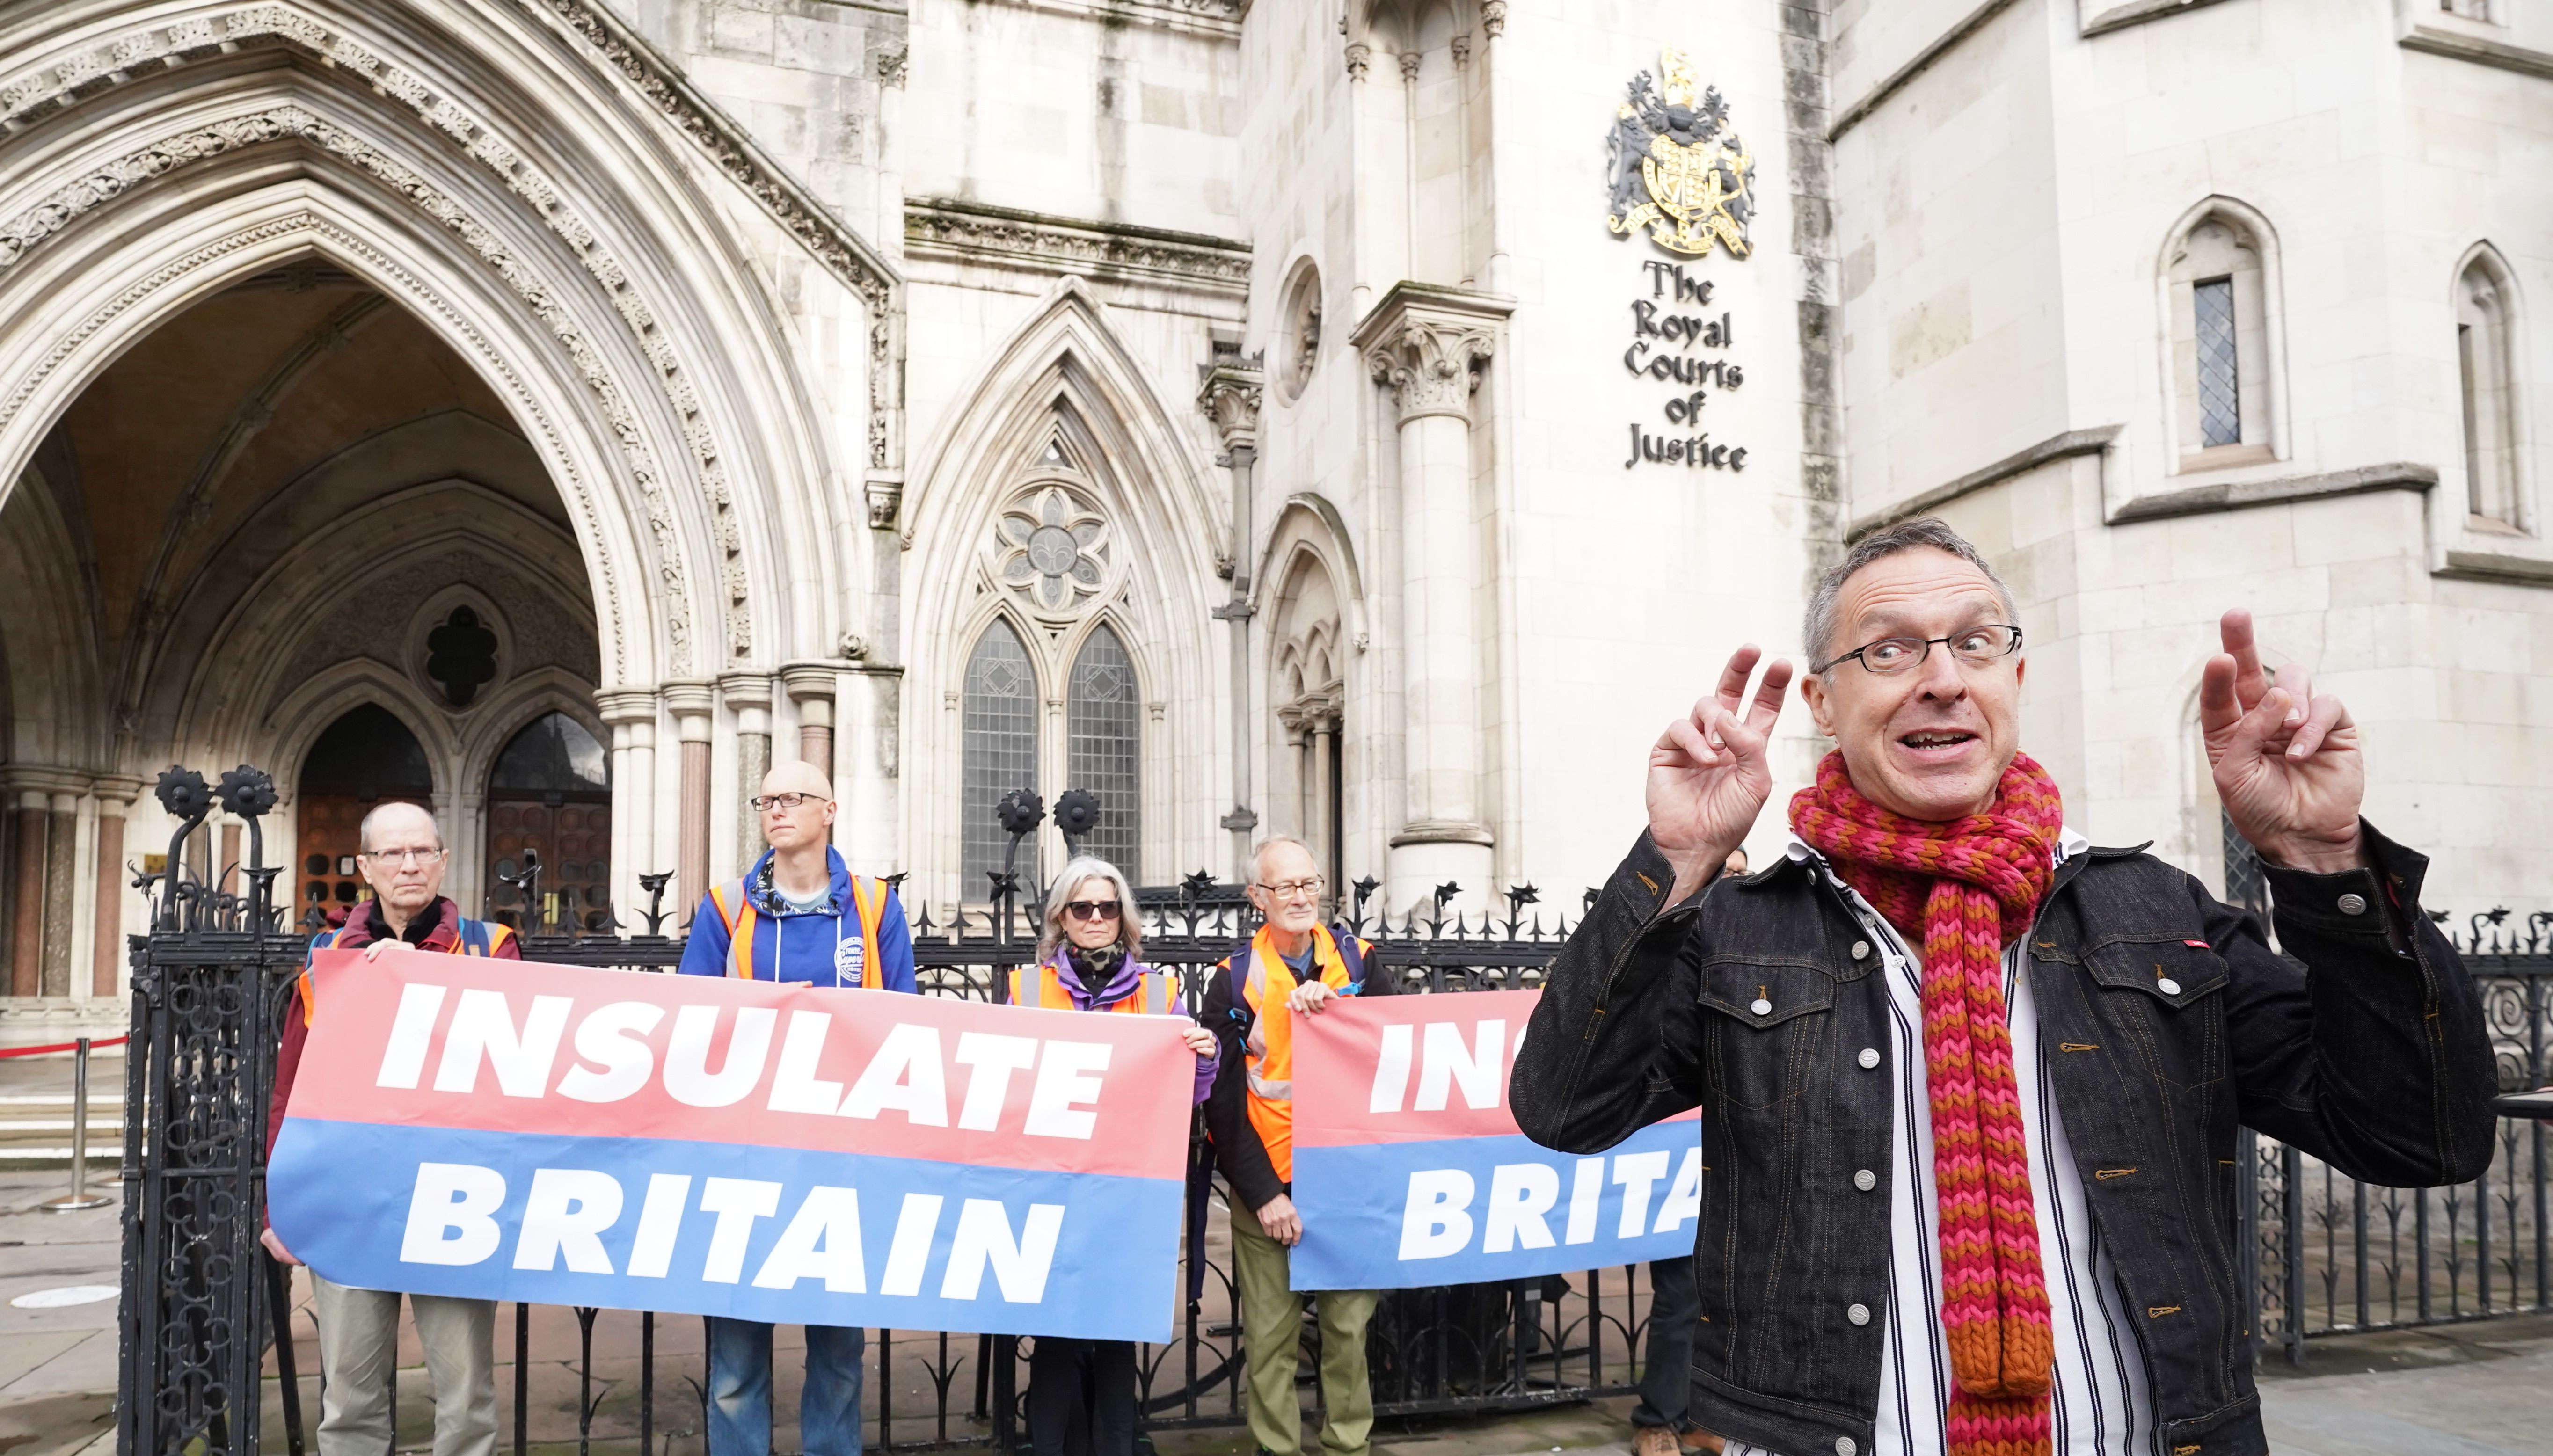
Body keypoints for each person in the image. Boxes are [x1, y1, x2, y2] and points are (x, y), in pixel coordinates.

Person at [1512, 518, 2499, 1456]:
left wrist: (2323, 860)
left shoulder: (2157, 912)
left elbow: (2420, 1135)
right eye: (1889, 650)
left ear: (2013, 675)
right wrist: (1674, 861)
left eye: (1975, 644)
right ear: (1820, 701)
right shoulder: (1740, 930)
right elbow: (1566, 1106)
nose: (1942, 679)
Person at [261, 801, 519, 1456]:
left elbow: (520, 1073)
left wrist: (425, 980)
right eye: (393, 854)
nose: (410, 865)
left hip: (455, 1197)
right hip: (350, 1196)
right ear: (366, 867)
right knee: (349, 1397)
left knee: (465, 1399)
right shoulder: (327, 958)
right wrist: (278, 1205)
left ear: (443, 860)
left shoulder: (493, 947)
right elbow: (290, 1090)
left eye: (423, 851)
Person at [678, 760, 918, 1456]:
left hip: (841, 1163)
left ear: (830, 810)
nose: (777, 809)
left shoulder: (875, 907)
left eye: (794, 798)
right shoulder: (725, 908)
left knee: (839, 1357)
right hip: (745, 1157)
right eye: (767, 799)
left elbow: (904, 1026)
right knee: (736, 1362)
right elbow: (694, 1022)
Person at [1010, 855, 1219, 1456]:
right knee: (1053, 1340)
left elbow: (1191, 1093)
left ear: (1123, 918)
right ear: (1061, 918)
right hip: (1051, 1187)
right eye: (1082, 907)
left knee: (1115, 1340)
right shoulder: (1026, 989)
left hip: (1129, 1190)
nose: (1095, 917)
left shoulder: (1160, 992)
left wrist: (1201, 1057)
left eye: (1107, 907)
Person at [1199, 836, 1397, 1456]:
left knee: (1347, 1330)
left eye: (1309, 884)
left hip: (1347, 1181)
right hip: (1271, 1185)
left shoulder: (1363, 964)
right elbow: (1223, 1104)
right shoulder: (1233, 981)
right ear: (1258, 897)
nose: (1300, 897)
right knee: (1270, 1339)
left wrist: (1342, 1012)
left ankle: (1348, 1446)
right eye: (1284, 886)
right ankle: (1277, 1449)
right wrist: (1262, 1194)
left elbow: (1396, 1061)